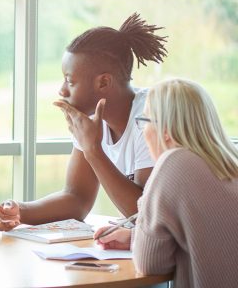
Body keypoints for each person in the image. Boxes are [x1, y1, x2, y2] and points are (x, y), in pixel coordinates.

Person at [0, 13, 168, 229]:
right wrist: (19, 211)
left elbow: (144, 215)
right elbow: (77, 200)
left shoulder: (149, 118)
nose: (62, 90)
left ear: (103, 82)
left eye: (70, 80)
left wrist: (92, 149)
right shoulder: (92, 119)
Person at [94, 78, 238, 287]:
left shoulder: (174, 162)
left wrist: (147, 201)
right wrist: (133, 238)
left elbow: (150, 264)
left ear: (166, 131)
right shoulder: (228, 162)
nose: (143, 131)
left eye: (144, 121)